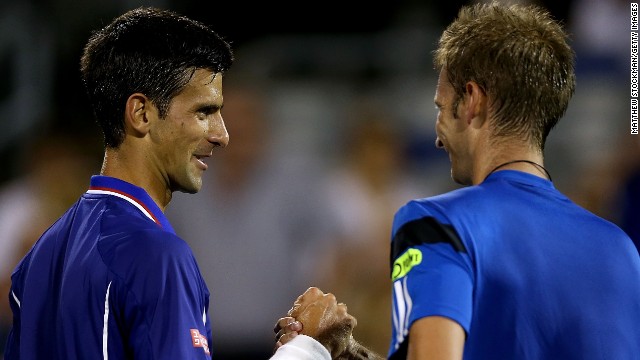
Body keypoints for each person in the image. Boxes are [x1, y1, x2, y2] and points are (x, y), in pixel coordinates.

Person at [275, 2, 640, 359]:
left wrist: (312, 352)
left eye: (440, 107)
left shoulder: (435, 224)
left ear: (472, 101)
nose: (437, 135)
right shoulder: (621, 249)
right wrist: (352, 353)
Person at [2, 7, 341, 360]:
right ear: (142, 113)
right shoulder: (156, 254)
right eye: (204, 112)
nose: (222, 136)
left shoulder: (43, 251)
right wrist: (307, 348)